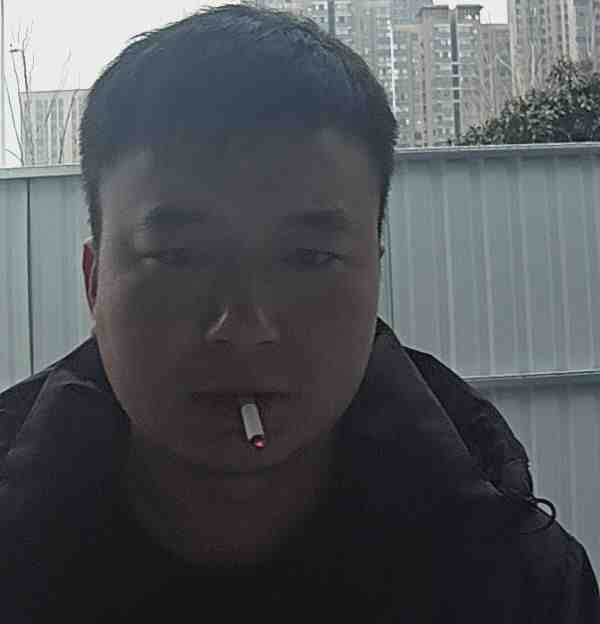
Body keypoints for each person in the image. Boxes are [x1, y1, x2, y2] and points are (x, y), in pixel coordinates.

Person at [1, 5, 598, 622]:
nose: (244, 325)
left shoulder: (520, 584)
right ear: (94, 281)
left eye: (310, 258)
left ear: (375, 274)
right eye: (177, 256)